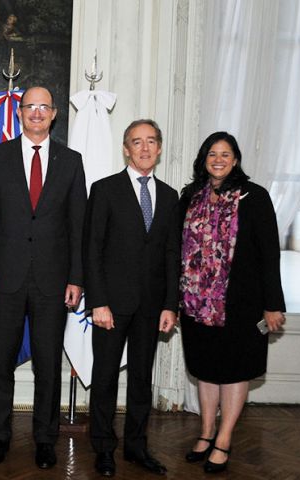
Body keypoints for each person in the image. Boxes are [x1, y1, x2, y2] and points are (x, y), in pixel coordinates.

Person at [0, 86, 87, 469]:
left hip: (53, 281)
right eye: (30, 107)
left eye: (44, 107)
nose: (37, 113)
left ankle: (45, 439)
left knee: (47, 365)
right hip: (4, 278)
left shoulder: (71, 161)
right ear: (19, 112)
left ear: (54, 114)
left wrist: (76, 278)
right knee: (0, 364)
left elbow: (78, 226)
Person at [179, 131, 285, 474]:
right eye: (213, 154)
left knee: (236, 371)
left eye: (226, 154)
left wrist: (273, 304)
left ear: (236, 159)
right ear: (204, 159)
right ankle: (207, 432)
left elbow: (270, 256)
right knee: (206, 369)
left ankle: (224, 439)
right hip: (196, 305)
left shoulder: (255, 198)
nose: (219, 159)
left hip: (242, 306)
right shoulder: (190, 196)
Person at [84, 119, 180, 477]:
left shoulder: (170, 197)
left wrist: (170, 304)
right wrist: (98, 302)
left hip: (152, 307)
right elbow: (91, 250)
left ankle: (137, 447)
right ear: (125, 148)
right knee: (105, 378)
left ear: (159, 147)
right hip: (111, 304)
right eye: (136, 142)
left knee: (142, 379)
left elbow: (172, 254)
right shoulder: (105, 189)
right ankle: (104, 448)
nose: (144, 148)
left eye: (151, 141)